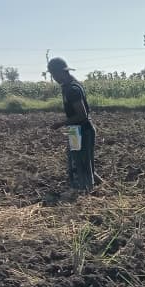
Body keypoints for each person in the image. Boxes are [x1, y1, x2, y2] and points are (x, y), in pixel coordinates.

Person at [47, 57, 99, 191]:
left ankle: (85, 191)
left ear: (62, 72)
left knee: (82, 161)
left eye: (54, 74)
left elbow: (82, 115)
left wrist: (61, 123)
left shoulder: (72, 89)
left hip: (83, 129)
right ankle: (88, 186)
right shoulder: (67, 86)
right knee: (77, 160)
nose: (54, 78)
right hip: (74, 130)